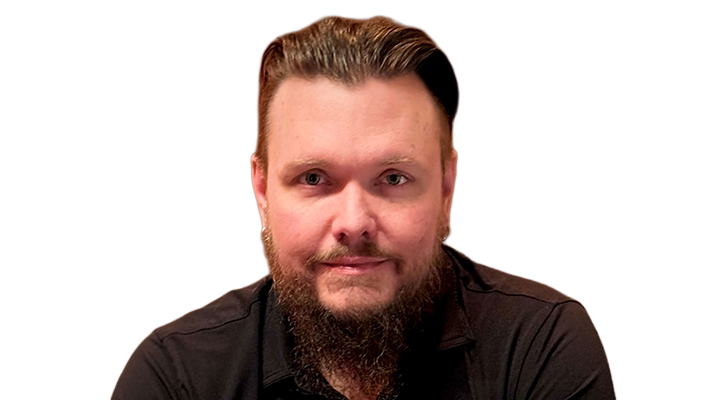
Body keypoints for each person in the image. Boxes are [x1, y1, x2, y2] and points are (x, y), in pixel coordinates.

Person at [112, 16, 615, 400]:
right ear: (262, 191)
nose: (354, 223)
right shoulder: (179, 377)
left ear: (445, 189)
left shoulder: (537, 347)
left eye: (393, 178)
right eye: (314, 178)